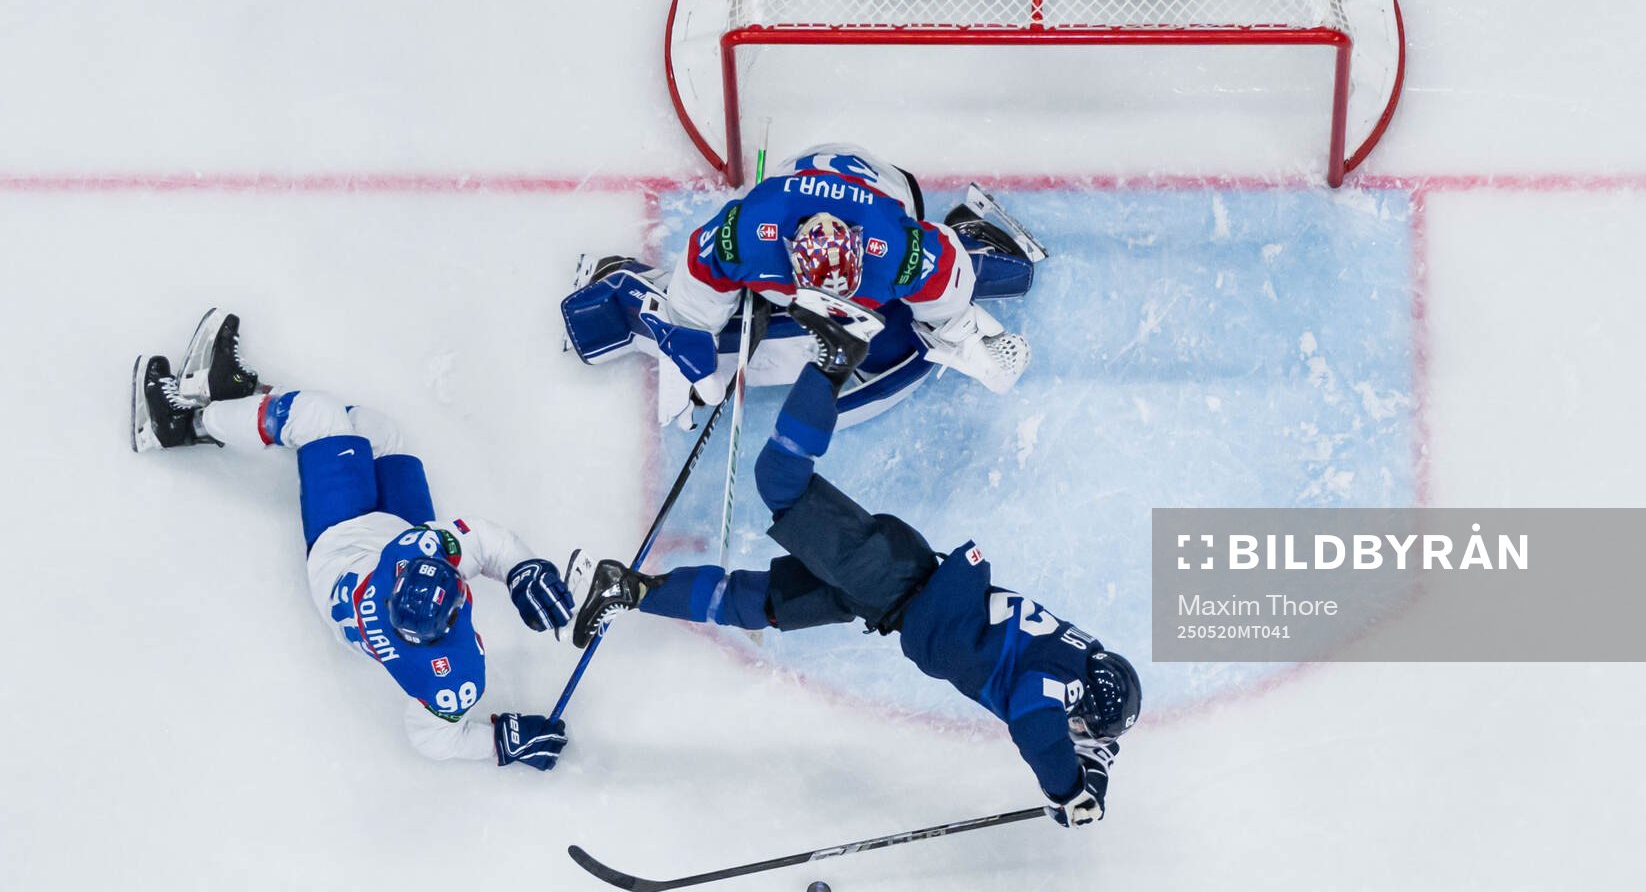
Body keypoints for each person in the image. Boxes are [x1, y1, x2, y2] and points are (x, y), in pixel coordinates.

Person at [567, 292, 1140, 826]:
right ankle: (833, 360)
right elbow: (1037, 724)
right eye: (1083, 720)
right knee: (780, 482)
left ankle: (629, 589)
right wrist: (1067, 791)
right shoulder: (1057, 686)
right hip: (889, 580)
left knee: (763, 603)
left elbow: (1092, 730)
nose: (1079, 729)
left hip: (891, 592)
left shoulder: (1080, 659)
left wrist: (1094, 774)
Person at [130, 310, 577, 771]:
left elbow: (433, 738)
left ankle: (182, 425)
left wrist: (500, 741)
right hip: (387, 537)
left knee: (318, 416)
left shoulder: (418, 559)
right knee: (379, 429)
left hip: (340, 547)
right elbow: (484, 544)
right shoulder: (448, 655)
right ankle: (236, 400)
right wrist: (524, 569)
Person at [559, 143, 1045, 427]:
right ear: (789, 250)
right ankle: (619, 284)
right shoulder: (747, 233)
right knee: (723, 332)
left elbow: (945, 277)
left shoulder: (897, 247)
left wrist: (961, 336)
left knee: (900, 342)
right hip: (797, 178)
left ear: (859, 246)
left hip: (886, 183)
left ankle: (973, 233)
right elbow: (694, 298)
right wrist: (697, 357)